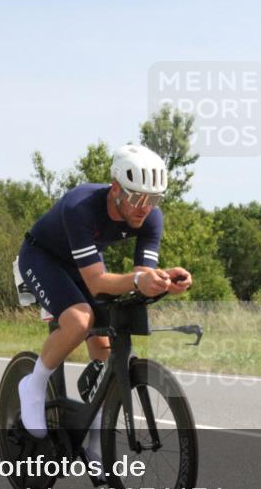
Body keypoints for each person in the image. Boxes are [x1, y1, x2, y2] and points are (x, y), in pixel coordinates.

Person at [16, 144, 193, 466]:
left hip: (83, 265)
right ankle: (34, 384)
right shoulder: (80, 206)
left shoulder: (152, 218)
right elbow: (98, 282)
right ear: (115, 189)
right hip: (43, 258)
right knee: (80, 320)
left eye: (154, 199)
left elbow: (139, 275)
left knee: (104, 341)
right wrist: (140, 280)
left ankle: (94, 435)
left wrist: (163, 279)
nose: (145, 208)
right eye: (138, 198)